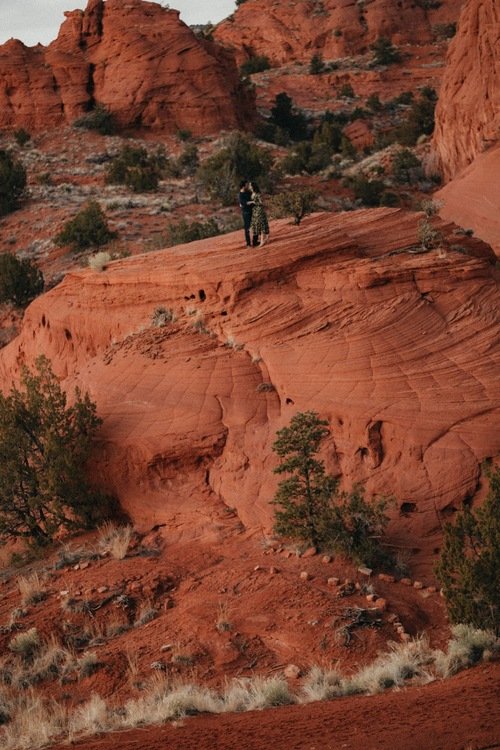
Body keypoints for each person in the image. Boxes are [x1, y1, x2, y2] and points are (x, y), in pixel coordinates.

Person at [249, 182, 269, 247]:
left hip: (259, 210)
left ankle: (262, 241)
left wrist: (252, 202)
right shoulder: (252, 193)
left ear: (253, 186)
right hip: (255, 211)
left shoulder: (258, 194)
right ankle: (264, 239)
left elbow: (261, 202)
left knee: (261, 225)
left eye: (250, 185)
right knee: (257, 225)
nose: (249, 186)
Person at [238, 180, 258, 248]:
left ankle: (255, 242)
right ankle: (248, 244)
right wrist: (252, 202)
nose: (247, 186)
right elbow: (244, 203)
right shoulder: (241, 195)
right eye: (246, 185)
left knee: (255, 226)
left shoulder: (248, 192)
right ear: (243, 186)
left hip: (252, 211)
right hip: (246, 213)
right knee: (247, 228)